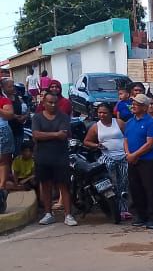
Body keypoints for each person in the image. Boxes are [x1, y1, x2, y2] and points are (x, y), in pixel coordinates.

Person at [32, 89, 77, 226]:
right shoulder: (37, 117)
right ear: (44, 103)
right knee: (46, 186)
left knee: (64, 186)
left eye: (55, 103)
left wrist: (46, 135)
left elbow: (63, 135)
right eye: (50, 102)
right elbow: (36, 135)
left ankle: (68, 215)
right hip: (43, 157)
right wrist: (55, 135)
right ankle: (48, 213)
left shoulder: (63, 117)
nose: (53, 105)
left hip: (60, 157)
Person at [84, 102, 131, 220]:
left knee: (123, 184)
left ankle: (124, 209)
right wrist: (97, 145)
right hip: (107, 157)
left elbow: (129, 136)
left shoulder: (119, 123)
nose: (102, 115)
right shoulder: (96, 127)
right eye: (100, 112)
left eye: (105, 112)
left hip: (123, 157)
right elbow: (87, 141)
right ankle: (110, 207)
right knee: (107, 183)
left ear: (111, 113)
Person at [123, 93, 153, 230]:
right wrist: (128, 154)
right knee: (136, 189)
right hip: (133, 160)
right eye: (132, 103)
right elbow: (125, 139)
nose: (133, 106)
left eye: (137, 104)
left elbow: (150, 143)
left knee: (150, 189)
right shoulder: (130, 122)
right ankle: (140, 215)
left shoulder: (150, 122)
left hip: (147, 161)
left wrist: (135, 155)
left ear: (144, 107)